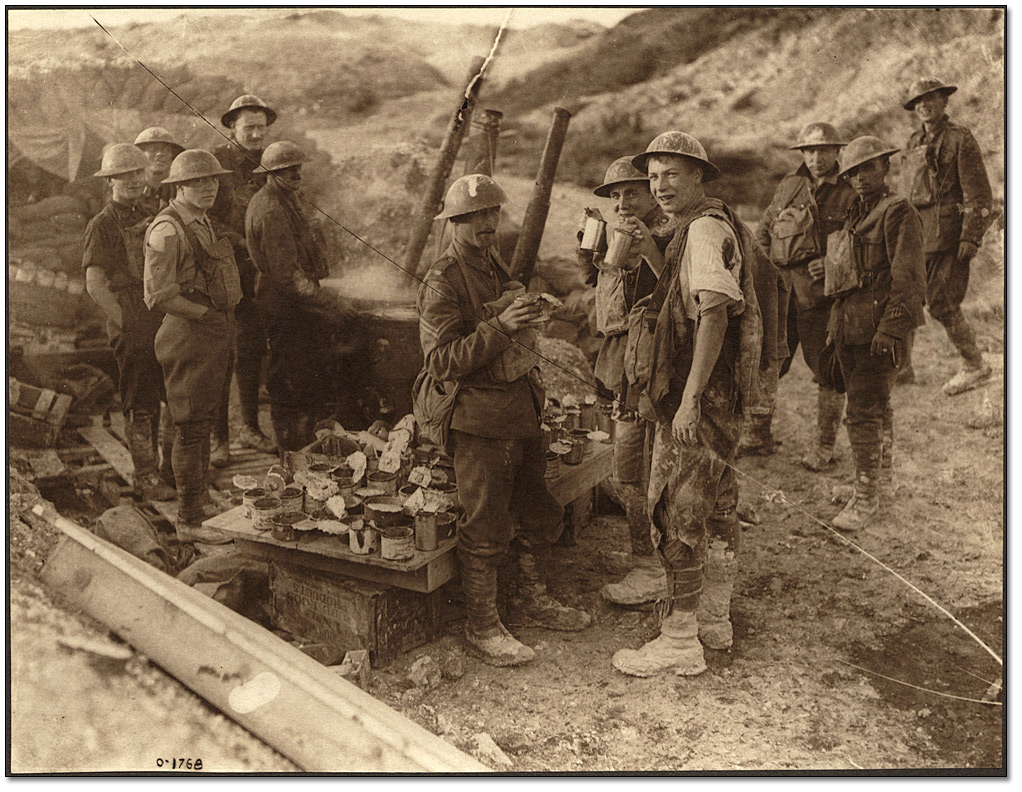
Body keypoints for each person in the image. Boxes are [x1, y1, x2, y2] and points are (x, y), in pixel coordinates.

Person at [418, 174, 591, 667]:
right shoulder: (443, 280)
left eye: (492, 214)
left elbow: (502, 308)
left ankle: (530, 600)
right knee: (485, 522)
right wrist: (500, 327)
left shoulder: (489, 261)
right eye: (473, 217)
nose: (486, 224)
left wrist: (527, 305)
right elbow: (441, 363)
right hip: (477, 417)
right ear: (453, 223)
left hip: (518, 405)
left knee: (538, 509)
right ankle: (482, 626)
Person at [611, 132, 763, 677]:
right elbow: (683, 292)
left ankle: (679, 640)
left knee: (676, 513)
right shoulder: (703, 227)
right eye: (653, 177)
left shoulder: (700, 230)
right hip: (720, 395)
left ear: (699, 176)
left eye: (672, 174)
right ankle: (715, 618)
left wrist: (690, 402)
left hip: (701, 395)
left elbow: (714, 315)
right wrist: (651, 252)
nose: (660, 186)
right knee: (718, 506)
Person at [576, 156, 673, 607]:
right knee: (630, 466)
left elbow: (675, 291)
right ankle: (653, 559)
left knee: (638, 468)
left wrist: (646, 246)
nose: (621, 203)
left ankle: (652, 568)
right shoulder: (625, 234)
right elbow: (610, 298)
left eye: (631, 192)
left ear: (652, 192)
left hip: (652, 364)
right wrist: (590, 262)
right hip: (622, 360)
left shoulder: (671, 234)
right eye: (615, 196)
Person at [827, 137, 926, 532]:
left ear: (885, 167)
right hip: (850, 325)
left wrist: (892, 329)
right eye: (852, 172)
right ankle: (876, 482)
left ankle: (866, 496)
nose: (859, 178)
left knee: (863, 413)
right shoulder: (856, 211)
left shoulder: (898, 211)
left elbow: (910, 279)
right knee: (876, 406)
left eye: (867, 168)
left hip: (877, 329)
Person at [144, 149, 241, 544]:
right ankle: (189, 521)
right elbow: (157, 296)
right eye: (198, 182)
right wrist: (203, 316)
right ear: (178, 186)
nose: (208, 187)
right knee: (190, 428)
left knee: (198, 422)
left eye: (212, 180)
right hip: (190, 335)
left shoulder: (202, 222)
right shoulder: (167, 230)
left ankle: (196, 502)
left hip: (212, 334)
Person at [752, 122, 857, 470]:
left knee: (828, 370)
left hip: (822, 297)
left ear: (837, 152)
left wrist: (832, 265)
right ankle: (757, 434)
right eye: (809, 151)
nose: (815, 158)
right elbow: (765, 228)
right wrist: (766, 270)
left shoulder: (850, 190)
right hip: (782, 294)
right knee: (768, 361)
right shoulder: (790, 185)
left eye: (823, 151)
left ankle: (823, 448)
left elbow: (863, 241)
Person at [83, 143, 175, 502]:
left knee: (170, 391)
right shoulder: (101, 225)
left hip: (161, 310)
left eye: (137, 173)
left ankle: (169, 467)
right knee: (141, 399)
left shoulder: (155, 213)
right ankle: (146, 475)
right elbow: (95, 285)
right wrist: (127, 322)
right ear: (110, 181)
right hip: (130, 314)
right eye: (123, 176)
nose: (132, 181)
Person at [246, 141, 352, 450]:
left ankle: (306, 442)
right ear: (269, 173)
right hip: (286, 306)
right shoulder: (270, 209)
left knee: (306, 375)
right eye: (286, 169)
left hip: (298, 304)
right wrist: (330, 303)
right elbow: (288, 276)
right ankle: (291, 450)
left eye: (297, 167)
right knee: (289, 379)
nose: (295, 173)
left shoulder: (286, 199)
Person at [899, 78, 995, 396]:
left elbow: (978, 191)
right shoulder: (913, 142)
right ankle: (902, 368)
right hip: (919, 234)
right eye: (919, 102)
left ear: (944, 103)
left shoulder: (959, 138)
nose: (925, 105)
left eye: (931, 99)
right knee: (907, 295)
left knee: (943, 303)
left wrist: (971, 237)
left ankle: (975, 366)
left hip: (950, 235)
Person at [209, 94, 280, 463]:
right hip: (220, 270)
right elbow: (202, 216)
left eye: (260, 127)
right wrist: (240, 241)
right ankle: (219, 438)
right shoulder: (215, 163)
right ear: (232, 128)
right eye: (247, 127)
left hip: (256, 274)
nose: (254, 133)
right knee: (222, 353)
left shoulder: (269, 162)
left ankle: (250, 428)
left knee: (251, 351)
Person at [133, 127, 184, 217]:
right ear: (141, 155)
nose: (160, 154)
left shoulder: (181, 190)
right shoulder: (131, 189)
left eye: (166, 150)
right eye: (153, 149)